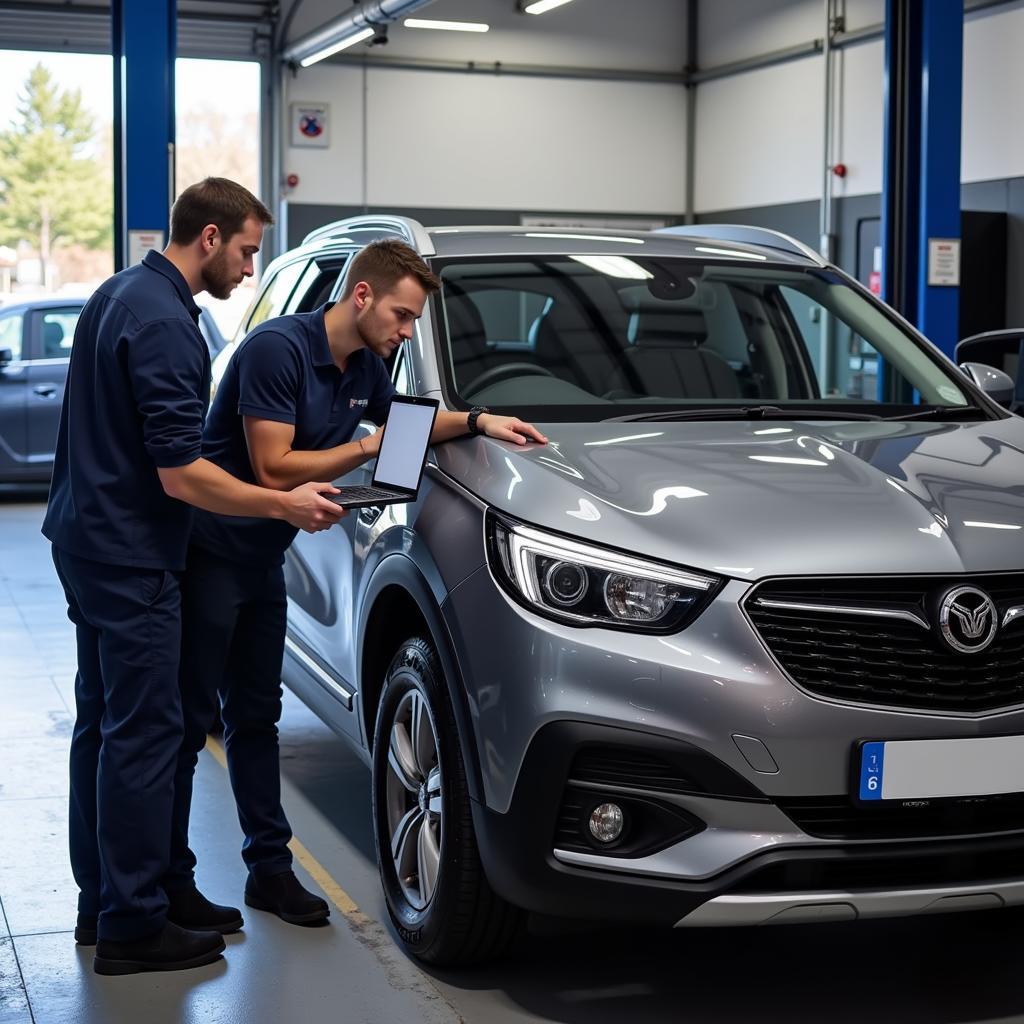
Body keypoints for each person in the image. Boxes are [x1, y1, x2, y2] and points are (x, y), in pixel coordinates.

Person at [170, 239, 547, 925]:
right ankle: (170, 880)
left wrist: (479, 420)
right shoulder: (275, 351)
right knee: (191, 723)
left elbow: (405, 423)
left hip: (263, 560)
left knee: (256, 719)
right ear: (363, 296)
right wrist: (369, 448)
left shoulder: (364, 365)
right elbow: (274, 468)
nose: (406, 333)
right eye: (402, 316)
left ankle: (269, 870)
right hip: (212, 556)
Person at [42, 177, 347, 976]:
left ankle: (104, 900)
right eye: (247, 249)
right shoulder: (171, 325)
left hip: (82, 538)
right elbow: (183, 474)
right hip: (134, 552)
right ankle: (134, 926)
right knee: (145, 735)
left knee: (103, 726)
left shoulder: (118, 293)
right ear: (208, 238)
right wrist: (280, 503)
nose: (252, 266)